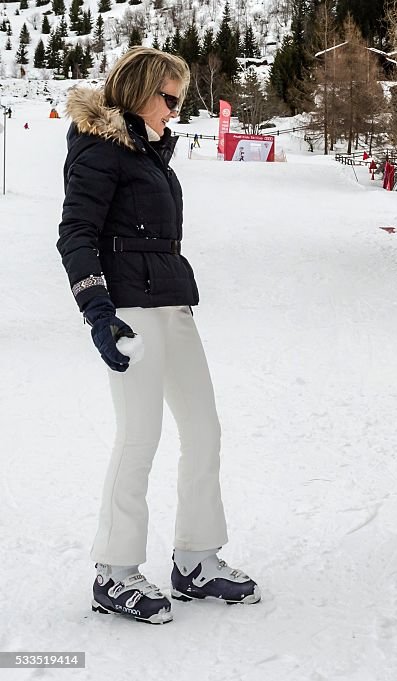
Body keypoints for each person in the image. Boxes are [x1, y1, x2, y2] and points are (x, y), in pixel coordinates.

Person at [56, 47, 259, 625]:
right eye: (168, 97)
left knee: (203, 428)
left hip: (171, 305)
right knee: (139, 436)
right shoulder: (100, 148)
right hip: (130, 311)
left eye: (179, 98)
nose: (175, 109)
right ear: (138, 89)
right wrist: (98, 311)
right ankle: (113, 572)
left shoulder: (151, 154)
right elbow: (76, 233)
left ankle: (196, 557)